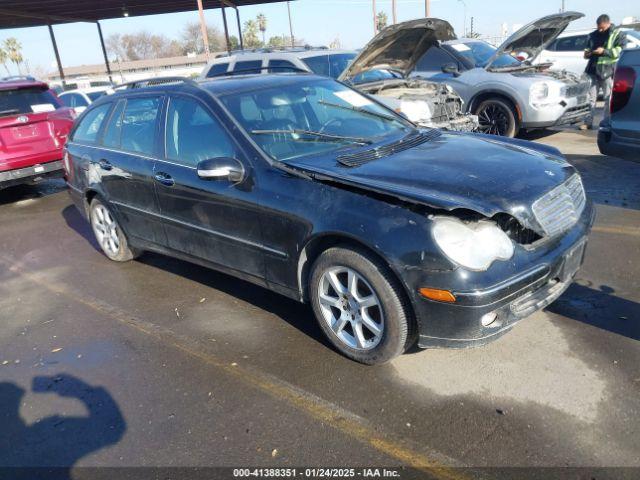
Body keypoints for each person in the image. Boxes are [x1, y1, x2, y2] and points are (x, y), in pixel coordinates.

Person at [582, 14, 627, 129]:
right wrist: (587, 53)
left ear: (608, 23)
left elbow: (620, 50)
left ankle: (606, 122)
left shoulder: (618, 34)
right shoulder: (592, 35)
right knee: (591, 98)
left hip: (607, 71)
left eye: (602, 27)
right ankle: (587, 122)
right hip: (592, 70)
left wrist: (604, 51)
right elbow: (586, 51)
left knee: (608, 98)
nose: (600, 30)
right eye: (598, 27)